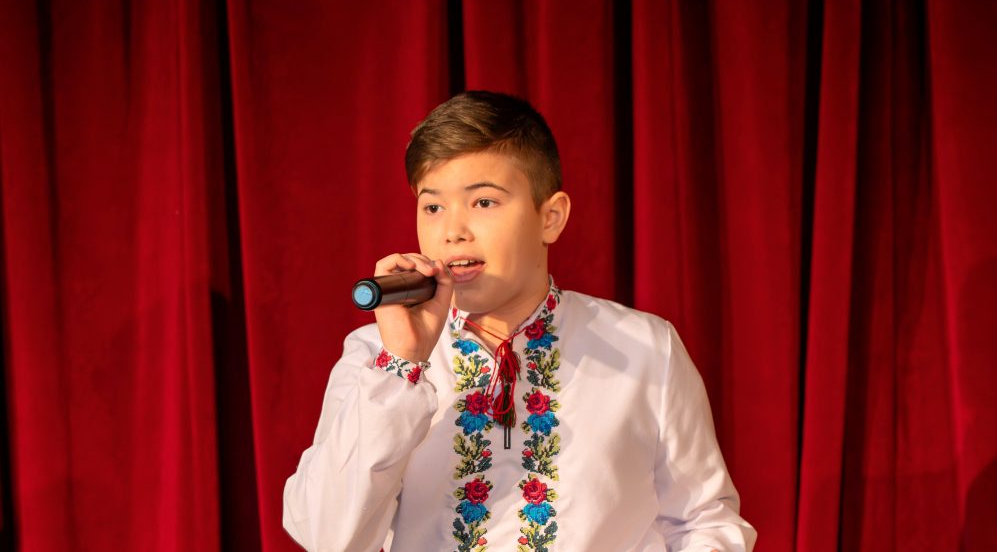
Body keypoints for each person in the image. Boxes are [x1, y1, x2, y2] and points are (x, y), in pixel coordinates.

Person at [282, 91, 756, 551]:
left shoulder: (645, 347)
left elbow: (704, 522)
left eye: (483, 202)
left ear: (551, 217)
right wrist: (403, 366)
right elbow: (327, 538)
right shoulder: (375, 357)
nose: (453, 231)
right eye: (433, 207)